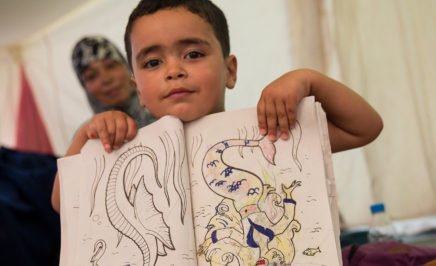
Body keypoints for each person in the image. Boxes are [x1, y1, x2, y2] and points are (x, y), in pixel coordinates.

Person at [51, 0, 383, 213]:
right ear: (137, 89)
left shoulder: (268, 131)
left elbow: (364, 128)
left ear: (230, 70)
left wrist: (308, 79)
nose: (173, 70)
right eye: (153, 62)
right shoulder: (128, 150)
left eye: (193, 54)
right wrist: (86, 134)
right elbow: (62, 202)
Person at [71, 35, 155, 128]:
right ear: (84, 87)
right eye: (92, 76)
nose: (106, 79)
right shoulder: (90, 137)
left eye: (110, 66)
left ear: (127, 66)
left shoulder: (164, 110)